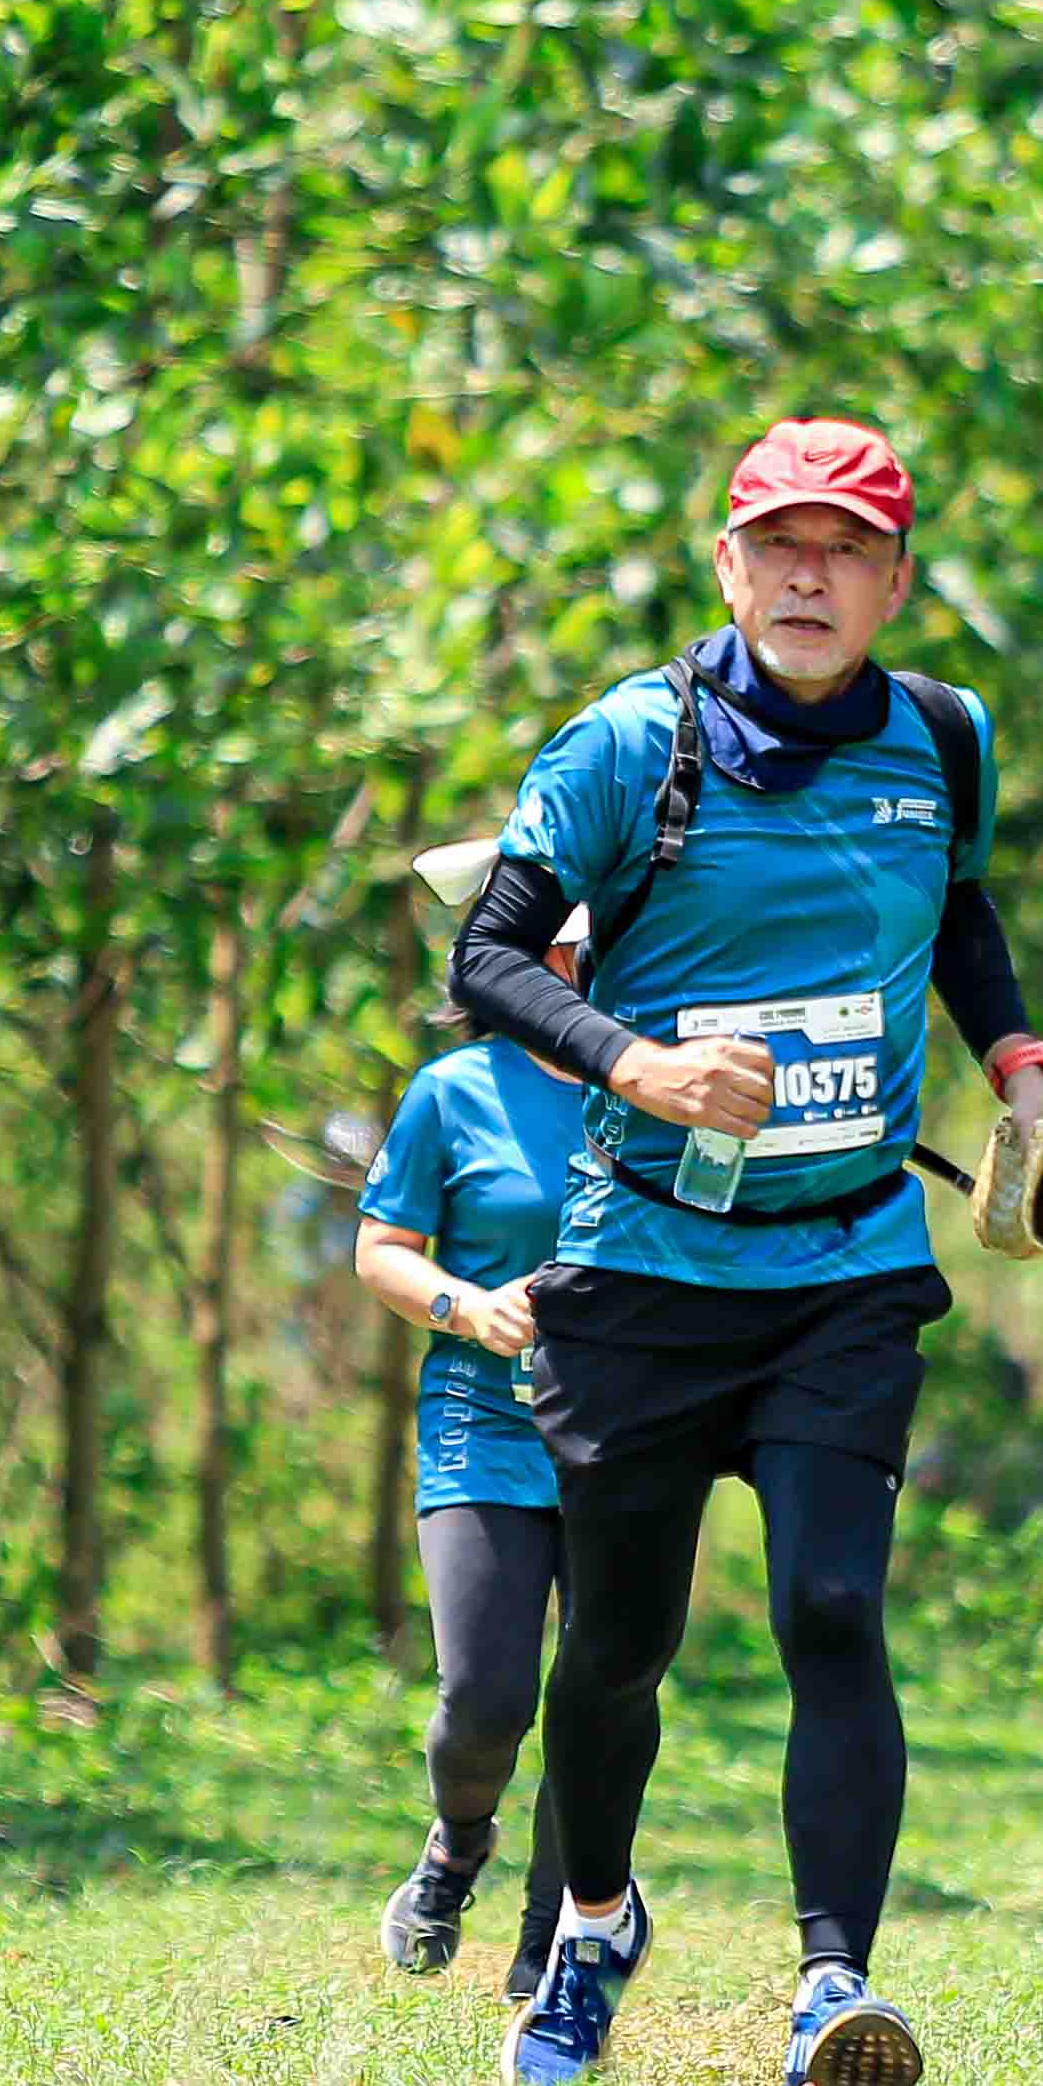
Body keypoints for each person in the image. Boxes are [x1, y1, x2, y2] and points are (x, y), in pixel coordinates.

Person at [442, 414, 1043, 2086]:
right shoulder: (624, 745)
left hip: (846, 1260)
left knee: (830, 1607)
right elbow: (485, 957)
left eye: (847, 550)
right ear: (728, 567)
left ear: (894, 581)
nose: (812, 577)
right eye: (781, 546)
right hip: (644, 1261)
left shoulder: (941, 739)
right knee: (617, 1649)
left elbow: (960, 915)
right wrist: (639, 1065)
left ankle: (830, 1991)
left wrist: (1019, 1062)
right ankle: (594, 1925)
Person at [353, 847, 593, 1999]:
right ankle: (456, 1845)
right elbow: (382, 1251)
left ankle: (550, 1946)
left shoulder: (657, 1087)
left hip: (624, 1436)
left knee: (601, 1701)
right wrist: (466, 1304)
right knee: (488, 1697)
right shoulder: (454, 1092)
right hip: (480, 1425)